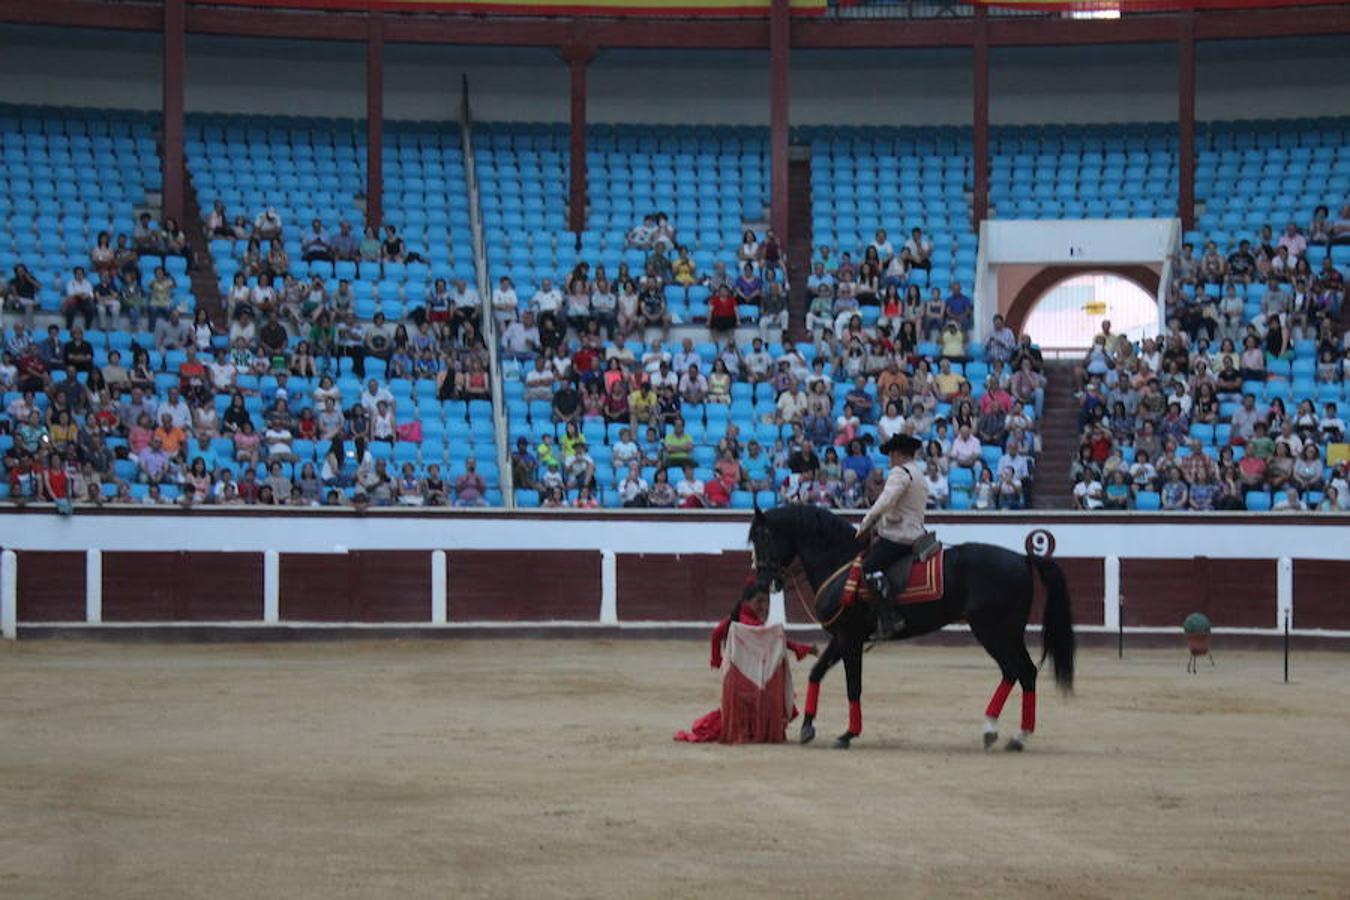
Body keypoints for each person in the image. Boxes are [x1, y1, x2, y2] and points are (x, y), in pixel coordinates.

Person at [674, 583, 816, 744]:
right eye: (759, 601)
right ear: (746, 602)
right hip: (748, 678)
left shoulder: (736, 618)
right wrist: (803, 648)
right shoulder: (748, 622)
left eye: (766, 602)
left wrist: (718, 660)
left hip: (740, 676)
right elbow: (776, 639)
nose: (764, 606)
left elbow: (716, 634)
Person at [855, 433, 928, 640]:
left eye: (890, 455)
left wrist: (866, 524)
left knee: (868, 568)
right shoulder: (919, 474)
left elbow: (885, 502)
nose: (889, 460)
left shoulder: (900, 472)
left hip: (900, 536)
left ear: (897, 454)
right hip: (916, 533)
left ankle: (890, 617)